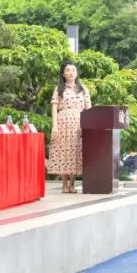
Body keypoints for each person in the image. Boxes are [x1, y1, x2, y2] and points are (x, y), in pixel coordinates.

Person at [47, 62, 91, 193]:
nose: (71, 72)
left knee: (75, 152)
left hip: (78, 123)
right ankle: (64, 183)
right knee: (63, 152)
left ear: (77, 73)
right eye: (68, 70)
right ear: (63, 74)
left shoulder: (83, 89)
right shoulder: (59, 89)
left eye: (73, 70)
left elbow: (88, 108)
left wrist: (86, 125)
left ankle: (72, 184)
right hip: (63, 122)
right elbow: (54, 107)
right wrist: (55, 126)